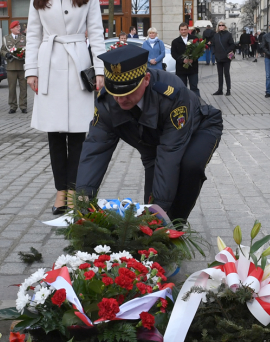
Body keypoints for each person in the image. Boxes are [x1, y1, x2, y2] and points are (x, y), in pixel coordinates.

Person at [76, 45, 224, 222]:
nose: (120, 99)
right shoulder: (107, 102)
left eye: (127, 92)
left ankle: (177, 225)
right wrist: (83, 202)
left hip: (200, 127)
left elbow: (169, 152)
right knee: (152, 203)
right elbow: (95, 149)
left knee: (189, 167)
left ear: (146, 79)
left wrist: (159, 214)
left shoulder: (172, 93)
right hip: (152, 144)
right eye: (116, 92)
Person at [24, 0, 105, 215]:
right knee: (56, 134)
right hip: (49, 63)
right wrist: (31, 70)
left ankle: (75, 191)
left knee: (81, 133)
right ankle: (61, 192)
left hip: (79, 63)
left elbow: (96, 32)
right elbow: (32, 33)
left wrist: (101, 69)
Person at [3, 20, 28, 114]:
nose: (19, 28)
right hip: (11, 66)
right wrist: (6, 54)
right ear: (12, 28)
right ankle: (13, 106)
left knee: (23, 88)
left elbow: (28, 48)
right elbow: (2, 50)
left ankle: (23, 106)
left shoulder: (24, 38)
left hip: (22, 66)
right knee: (12, 88)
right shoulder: (6, 38)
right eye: (17, 27)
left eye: (19, 27)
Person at [170, 22, 200, 96]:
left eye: (185, 29)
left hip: (193, 68)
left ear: (188, 30)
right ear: (179, 30)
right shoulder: (175, 41)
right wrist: (182, 60)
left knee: (194, 87)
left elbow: (199, 51)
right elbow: (173, 53)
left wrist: (193, 59)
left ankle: (198, 104)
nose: (183, 31)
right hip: (181, 69)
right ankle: (184, 104)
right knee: (182, 88)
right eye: (182, 30)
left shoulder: (194, 39)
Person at [209, 21, 236, 95]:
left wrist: (227, 52)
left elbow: (232, 45)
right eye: (219, 25)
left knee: (226, 73)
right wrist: (214, 53)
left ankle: (228, 90)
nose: (221, 26)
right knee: (219, 74)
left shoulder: (228, 35)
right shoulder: (216, 35)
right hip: (218, 57)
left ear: (225, 26)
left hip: (226, 57)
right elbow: (213, 44)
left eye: (222, 25)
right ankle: (220, 90)